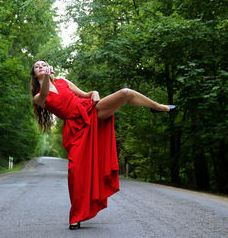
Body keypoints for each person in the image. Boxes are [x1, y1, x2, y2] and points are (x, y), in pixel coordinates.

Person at [30, 60, 176, 230]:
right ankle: (76, 216)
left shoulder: (64, 82)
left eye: (43, 64)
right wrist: (47, 77)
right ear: (34, 74)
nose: (40, 66)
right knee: (75, 173)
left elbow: (87, 94)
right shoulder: (38, 96)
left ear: (50, 68)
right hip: (75, 128)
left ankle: (158, 107)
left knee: (125, 93)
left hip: (90, 110)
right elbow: (46, 93)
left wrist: (95, 93)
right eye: (37, 66)